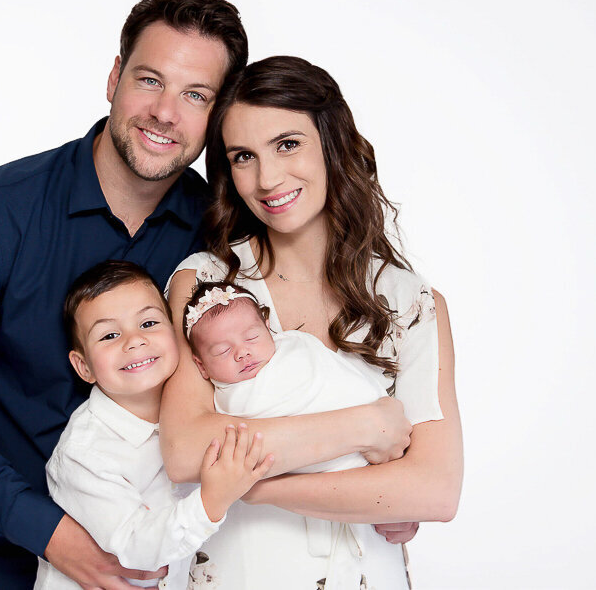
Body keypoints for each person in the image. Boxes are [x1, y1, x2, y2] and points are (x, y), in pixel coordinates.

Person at [0, 0, 252, 590]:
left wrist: (363, 489)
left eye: (196, 95)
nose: (166, 112)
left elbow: (274, 364)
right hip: (14, 565)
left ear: (217, 116)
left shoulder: (225, 229)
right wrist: (55, 537)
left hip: (189, 564)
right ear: (113, 77)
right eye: (149, 80)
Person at [162, 56, 464, 589]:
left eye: (287, 144)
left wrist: (249, 485)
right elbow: (185, 450)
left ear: (332, 142)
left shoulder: (411, 303)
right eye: (243, 156)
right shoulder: (206, 284)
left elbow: (434, 490)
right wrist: (366, 429)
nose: (268, 177)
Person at [35, 261, 272, 590]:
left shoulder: (204, 405)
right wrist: (210, 501)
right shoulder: (84, 454)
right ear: (83, 365)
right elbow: (136, 546)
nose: (134, 341)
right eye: (110, 335)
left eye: (148, 323)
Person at [184, 280, 390, 474]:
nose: (242, 352)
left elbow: (332, 370)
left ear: (267, 327)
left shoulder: (293, 344)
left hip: (377, 422)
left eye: (252, 337)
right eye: (223, 351)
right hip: (339, 466)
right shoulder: (234, 401)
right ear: (201, 366)